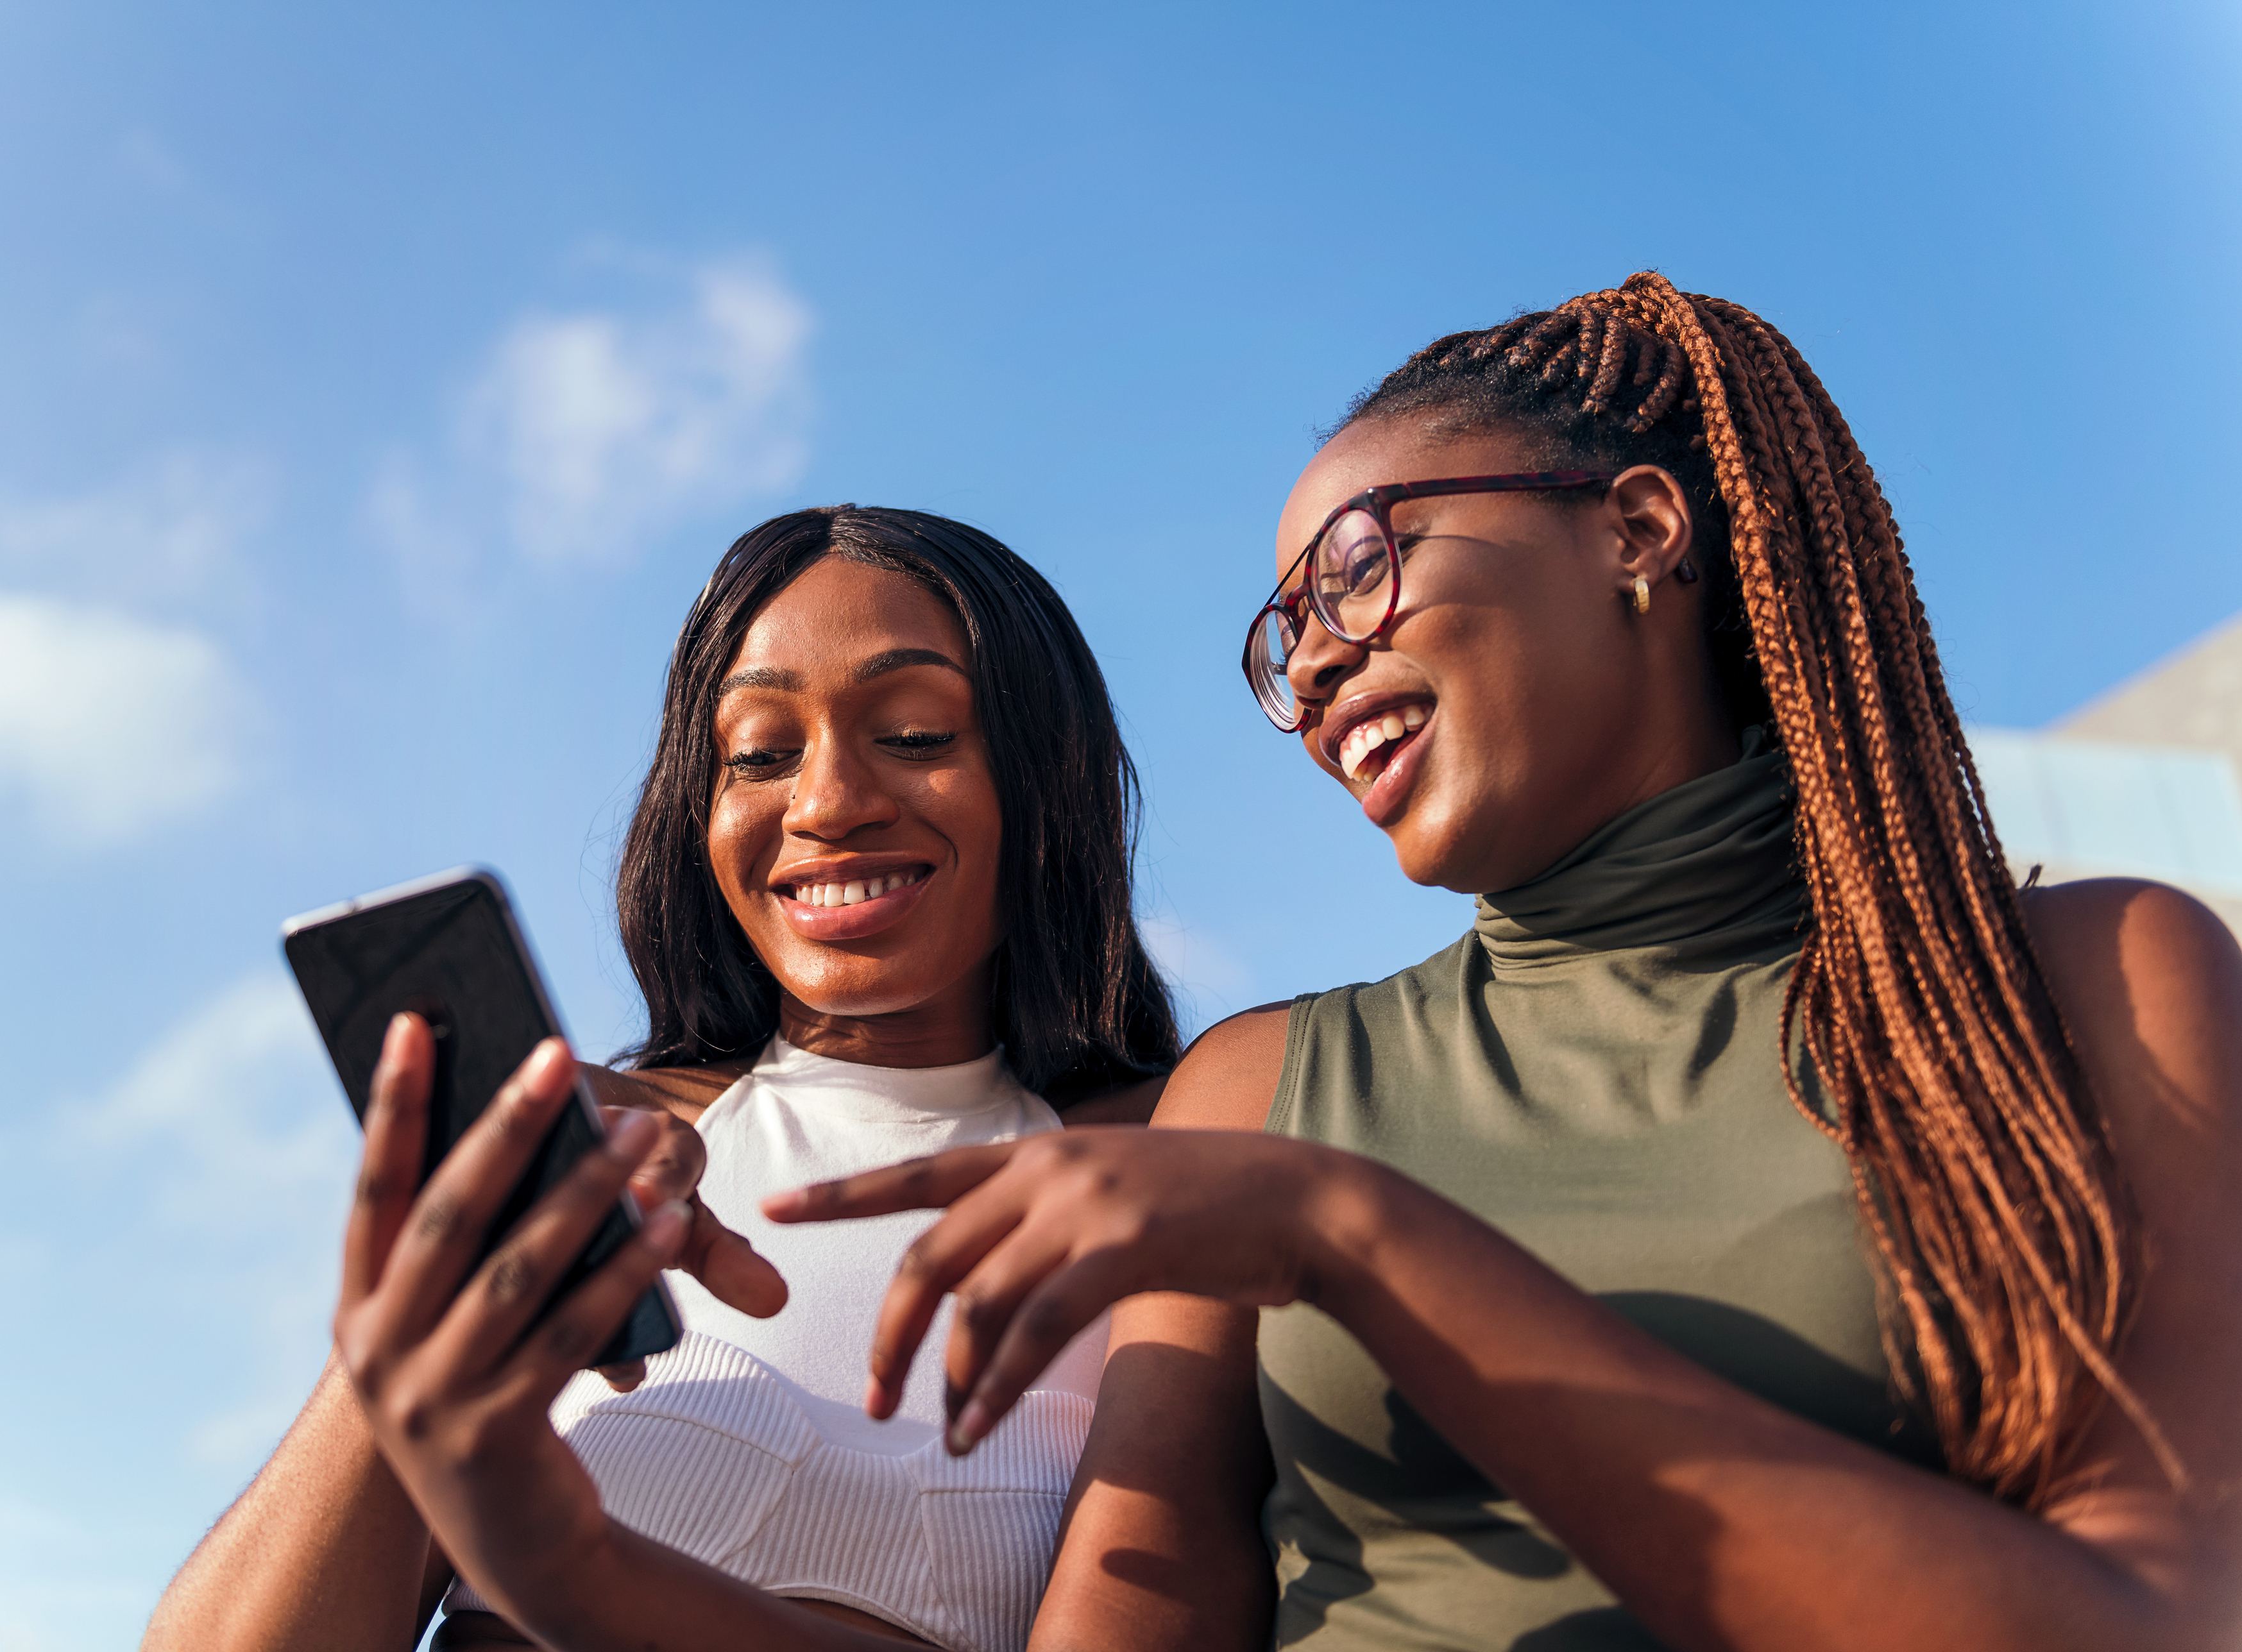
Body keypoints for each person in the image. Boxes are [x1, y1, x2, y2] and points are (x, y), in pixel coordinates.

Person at [774, 274, 2242, 1650]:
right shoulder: (1261, 1086)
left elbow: (2158, 1622)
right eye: (1287, 640)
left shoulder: (2094, 982)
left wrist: (1355, 1238)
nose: (1320, 666)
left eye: (1359, 566)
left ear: (1639, 530)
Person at [141, 506, 1181, 1651]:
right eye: (760, 755)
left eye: (919, 734)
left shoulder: (1169, 1170)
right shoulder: (599, 1148)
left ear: (1049, 777)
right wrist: (416, 1329)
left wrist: (571, 1567)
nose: (828, 804)